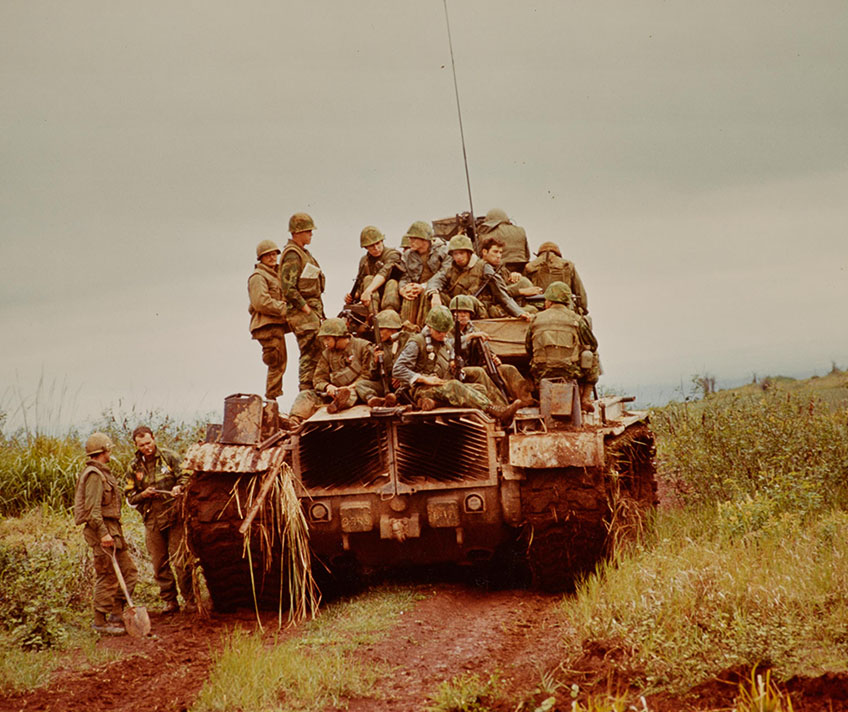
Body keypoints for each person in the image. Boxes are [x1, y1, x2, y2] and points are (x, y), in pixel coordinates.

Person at [392, 306, 521, 422]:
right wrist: (425, 379)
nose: (443, 335)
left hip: (442, 384)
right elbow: (398, 369)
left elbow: (451, 349)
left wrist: (453, 365)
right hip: (421, 388)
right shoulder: (417, 343)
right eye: (439, 332)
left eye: (445, 332)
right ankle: (495, 410)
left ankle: (503, 409)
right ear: (429, 327)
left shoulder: (444, 341)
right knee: (455, 386)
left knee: (479, 389)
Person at [74, 431, 138, 635]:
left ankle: (117, 613)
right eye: (109, 449)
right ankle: (100, 622)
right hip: (103, 532)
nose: (111, 452)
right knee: (108, 576)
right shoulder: (94, 475)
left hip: (113, 531)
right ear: (103, 451)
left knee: (129, 572)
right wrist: (103, 534)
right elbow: (93, 511)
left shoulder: (102, 472)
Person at [125, 426, 194, 614]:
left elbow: (187, 477)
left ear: (154, 439)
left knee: (181, 561)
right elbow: (130, 495)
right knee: (159, 564)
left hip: (174, 517)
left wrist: (179, 488)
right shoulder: (134, 466)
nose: (146, 447)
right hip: (152, 520)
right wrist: (144, 495)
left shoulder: (169, 457)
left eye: (148, 442)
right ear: (136, 445)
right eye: (141, 445)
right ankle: (170, 601)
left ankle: (191, 600)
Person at [525, 281, 599, 412]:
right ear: (567, 301)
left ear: (549, 301)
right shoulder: (576, 319)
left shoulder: (536, 319)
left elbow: (528, 348)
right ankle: (585, 399)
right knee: (592, 356)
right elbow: (592, 345)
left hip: (542, 372)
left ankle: (535, 395)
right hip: (570, 371)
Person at [449, 294, 534, 406]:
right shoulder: (447, 328)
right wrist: (470, 337)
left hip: (473, 366)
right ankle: (500, 406)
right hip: (455, 370)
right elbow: (448, 344)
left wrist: (493, 357)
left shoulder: (473, 329)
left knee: (508, 369)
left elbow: (485, 347)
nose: (463, 315)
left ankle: (526, 401)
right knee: (479, 372)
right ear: (453, 314)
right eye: (459, 312)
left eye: (466, 312)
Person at [289, 317, 374, 422]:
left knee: (352, 393)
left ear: (338, 337)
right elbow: (318, 379)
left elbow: (368, 375)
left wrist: (349, 387)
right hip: (333, 394)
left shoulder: (363, 347)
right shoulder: (327, 354)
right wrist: (328, 387)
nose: (325, 342)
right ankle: (294, 421)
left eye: (328, 339)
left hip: (359, 390)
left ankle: (340, 401)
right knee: (306, 394)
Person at [428, 235, 531, 321]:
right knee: (428, 294)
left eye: (462, 253)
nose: (459, 257)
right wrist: (434, 294)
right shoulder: (451, 269)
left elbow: (502, 294)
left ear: (469, 253)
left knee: (468, 300)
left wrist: (519, 313)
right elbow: (436, 280)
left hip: (479, 309)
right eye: (455, 254)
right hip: (457, 308)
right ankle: (431, 326)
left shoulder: (484, 267)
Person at [280, 212, 326, 391]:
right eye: (308, 231)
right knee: (309, 352)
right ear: (297, 232)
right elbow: (288, 288)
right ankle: (306, 391)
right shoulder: (293, 255)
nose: (311, 234)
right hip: (303, 313)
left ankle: (312, 390)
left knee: (317, 350)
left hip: (312, 310)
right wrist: (306, 309)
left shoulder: (303, 253)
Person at [248, 239, 287, 400]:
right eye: (267, 255)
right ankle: (272, 402)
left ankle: (272, 402)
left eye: (274, 254)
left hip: (274, 325)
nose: (272, 258)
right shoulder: (258, 277)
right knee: (276, 363)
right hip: (267, 327)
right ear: (261, 258)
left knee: (279, 363)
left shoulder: (275, 275)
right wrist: (285, 309)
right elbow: (260, 302)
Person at [398, 221, 451, 327]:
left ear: (425, 240)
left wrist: (424, 287)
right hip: (416, 291)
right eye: (410, 238)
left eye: (414, 239)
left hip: (439, 291)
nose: (410, 241)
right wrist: (403, 289)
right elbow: (405, 275)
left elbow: (443, 274)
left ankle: (425, 329)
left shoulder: (443, 251)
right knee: (410, 296)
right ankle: (406, 331)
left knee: (426, 295)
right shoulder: (408, 255)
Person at [354, 308, 410, 407]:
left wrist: (403, 377)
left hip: (404, 383)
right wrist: (375, 362)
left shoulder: (407, 342)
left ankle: (395, 398)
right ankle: (372, 399)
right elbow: (373, 376)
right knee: (361, 384)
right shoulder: (378, 347)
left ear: (392, 329)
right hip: (385, 384)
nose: (378, 333)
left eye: (381, 329)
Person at [479, 236, 543, 315]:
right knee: (533, 310)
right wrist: (521, 292)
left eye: (500, 252)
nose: (499, 255)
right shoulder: (482, 268)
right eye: (495, 252)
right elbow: (498, 295)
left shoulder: (500, 268)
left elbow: (506, 285)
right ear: (485, 252)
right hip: (490, 308)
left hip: (504, 305)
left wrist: (515, 275)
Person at [344, 226, 402, 312]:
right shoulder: (364, 261)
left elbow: (384, 272)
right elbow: (360, 283)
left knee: (392, 283)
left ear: (382, 241)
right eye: (371, 246)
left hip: (392, 297)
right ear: (366, 247)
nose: (376, 248)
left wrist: (369, 290)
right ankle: (372, 316)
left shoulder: (393, 254)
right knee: (368, 279)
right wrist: (354, 295)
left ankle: (388, 315)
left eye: (378, 243)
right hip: (371, 300)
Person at [524, 241, 589, 315]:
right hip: (564, 306)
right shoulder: (567, 265)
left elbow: (524, 288)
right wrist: (583, 309)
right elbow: (580, 292)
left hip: (537, 307)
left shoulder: (530, 266)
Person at [479, 208, 530, 274]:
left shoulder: (488, 233)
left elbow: (480, 254)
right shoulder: (521, 230)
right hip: (522, 265)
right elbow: (527, 255)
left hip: (502, 267)